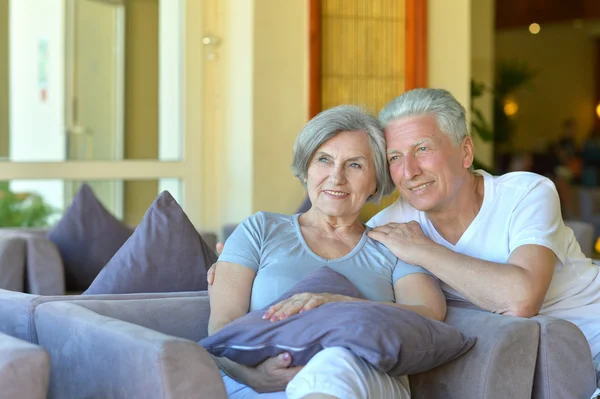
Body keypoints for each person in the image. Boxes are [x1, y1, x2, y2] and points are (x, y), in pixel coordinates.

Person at [365, 88, 600, 394]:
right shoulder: (388, 228)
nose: (409, 171)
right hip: (544, 365)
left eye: (422, 149)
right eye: (395, 157)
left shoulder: (525, 193)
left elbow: (521, 299)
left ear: (466, 152)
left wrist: (422, 249)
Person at [208, 105, 447, 399]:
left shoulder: (392, 243)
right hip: (254, 385)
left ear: (376, 181)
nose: (336, 177)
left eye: (355, 165)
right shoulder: (260, 229)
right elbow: (221, 329)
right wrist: (254, 376)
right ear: (306, 169)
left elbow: (429, 314)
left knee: (334, 363)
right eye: (324, 160)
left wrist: (338, 304)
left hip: (363, 381)